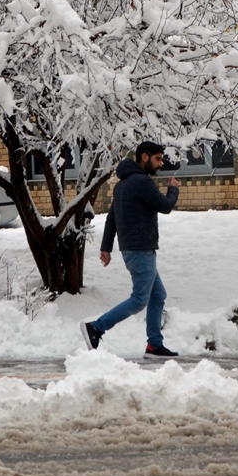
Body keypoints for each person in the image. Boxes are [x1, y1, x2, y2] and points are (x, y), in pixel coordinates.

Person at [81, 141, 180, 358]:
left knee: (158, 295)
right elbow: (165, 206)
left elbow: (112, 217)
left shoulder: (122, 184)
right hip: (141, 249)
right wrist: (173, 189)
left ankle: (154, 345)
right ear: (144, 157)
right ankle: (96, 327)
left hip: (134, 249)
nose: (160, 164)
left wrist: (106, 247)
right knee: (139, 300)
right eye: (157, 159)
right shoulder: (142, 183)